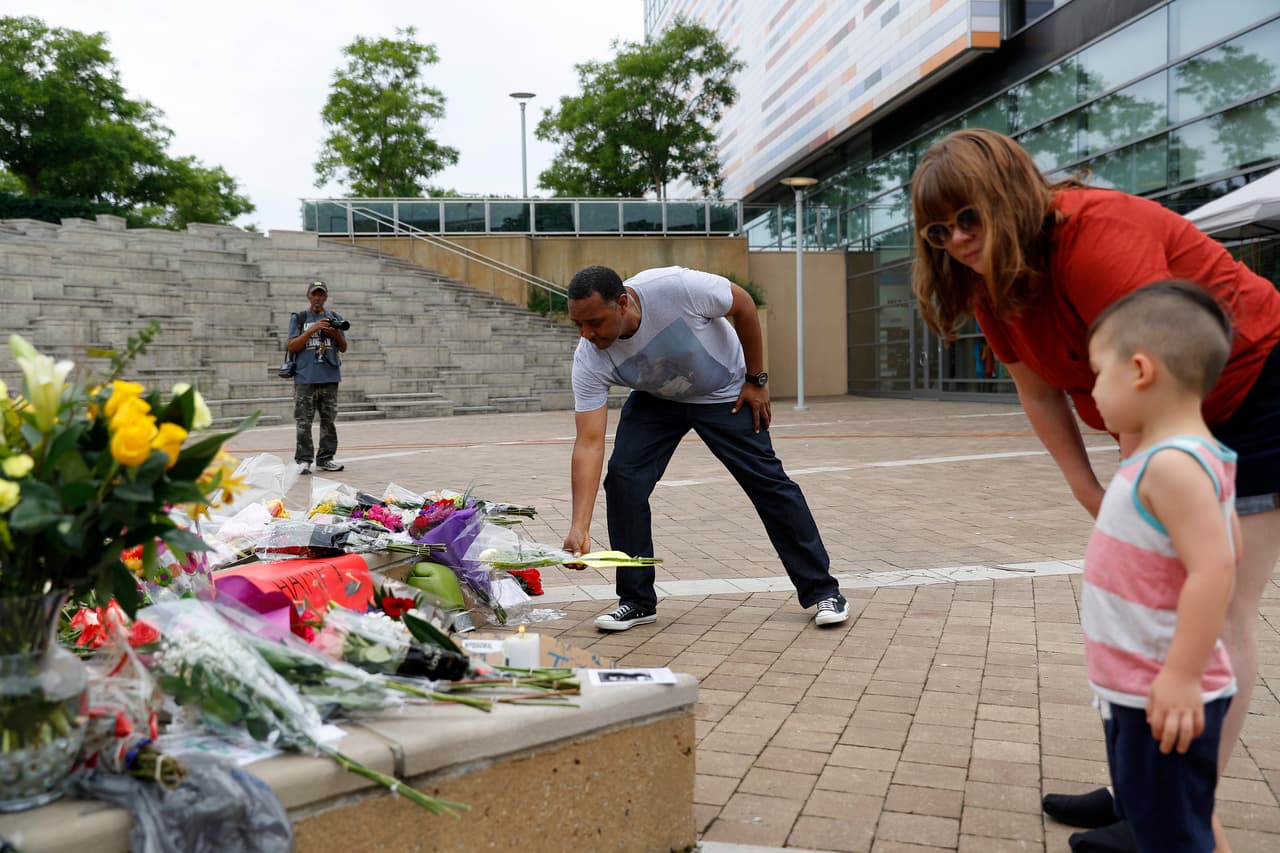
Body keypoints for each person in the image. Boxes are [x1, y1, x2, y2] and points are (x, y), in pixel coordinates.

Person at [910, 128, 1280, 852]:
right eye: (937, 229)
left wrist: (1142, 493)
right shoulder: (991, 280)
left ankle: (1181, 815)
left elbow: (1154, 379)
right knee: (1156, 605)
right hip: (1158, 418)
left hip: (1256, 384)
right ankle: (1144, 790)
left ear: (1009, 196)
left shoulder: (1096, 238)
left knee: (1220, 599)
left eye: (968, 219)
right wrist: (1094, 494)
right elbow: (1041, 393)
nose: (955, 239)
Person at [562, 265, 849, 632]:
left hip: (725, 393)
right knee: (623, 481)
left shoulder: (674, 288)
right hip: (657, 399)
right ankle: (636, 601)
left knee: (768, 485)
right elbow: (588, 443)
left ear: (621, 303)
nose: (587, 334)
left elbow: (743, 304)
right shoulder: (589, 357)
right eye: (578, 325)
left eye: (595, 323)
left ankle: (823, 590)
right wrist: (579, 527)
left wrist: (756, 379)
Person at [1082, 281, 1239, 852]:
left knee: (1169, 834)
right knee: (1179, 823)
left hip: (1158, 693)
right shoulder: (1190, 456)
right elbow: (1231, 546)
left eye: (1099, 372)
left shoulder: (1171, 465)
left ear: (1141, 370)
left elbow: (1217, 569)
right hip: (1138, 688)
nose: (1093, 390)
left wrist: (1180, 674)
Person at [287, 280, 348, 474]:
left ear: (326, 297)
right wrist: (312, 329)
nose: (318, 298)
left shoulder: (334, 317)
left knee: (328, 420)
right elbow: (292, 346)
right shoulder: (299, 318)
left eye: (322, 295)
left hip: (329, 377)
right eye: (315, 294)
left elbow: (344, 347)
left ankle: (326, 458)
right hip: (305, 378)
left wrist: (334, 333)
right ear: (309, 296)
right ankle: (304, 460)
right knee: (304, 421)